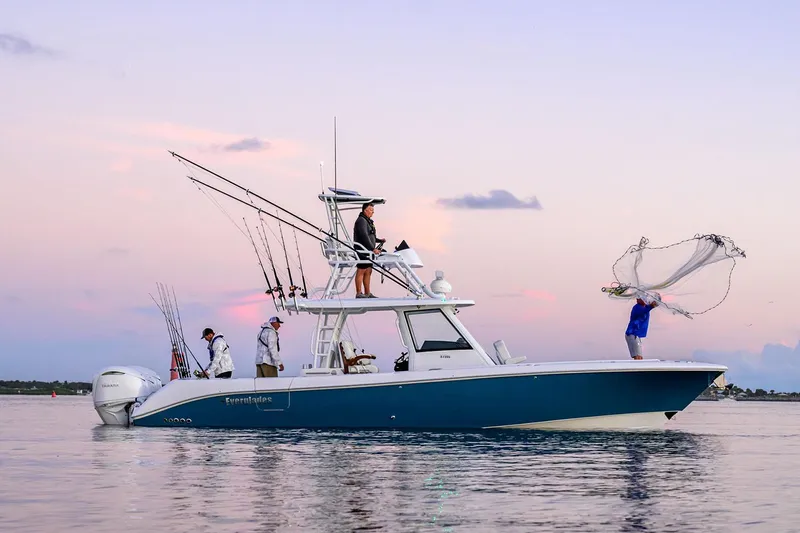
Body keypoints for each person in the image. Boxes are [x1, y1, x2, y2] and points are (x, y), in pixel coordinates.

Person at [353, 202, 385, 298]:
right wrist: (373, 248)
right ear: (365, 210)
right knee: (361, 270)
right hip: (362, 250)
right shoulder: (361, 221)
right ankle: (359, 293)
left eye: (373, 211)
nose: (372, 212)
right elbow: (364, 236)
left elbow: (371, 236)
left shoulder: (368, 221)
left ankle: (367, 293)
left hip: (368, 250)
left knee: (368, 270)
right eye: (371, 210)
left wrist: (379, 240)